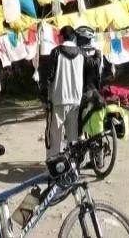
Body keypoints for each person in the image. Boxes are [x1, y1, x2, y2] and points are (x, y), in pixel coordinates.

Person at [46, 25, 84, 158]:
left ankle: (54, 168)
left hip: (59, 98)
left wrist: (47, 97)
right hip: (76, 100)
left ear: (62, 36)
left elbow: (49, 77)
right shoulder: (81, 53)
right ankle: (73, 166)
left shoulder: (56, 52)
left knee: (55, 136)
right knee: (73, 137)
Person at [76, 25, 103, 94]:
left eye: (78, 38)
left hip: (90, 86)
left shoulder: (94, 51)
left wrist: (98, 54)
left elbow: (95, 65)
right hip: (82, 86)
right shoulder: (78, 51)